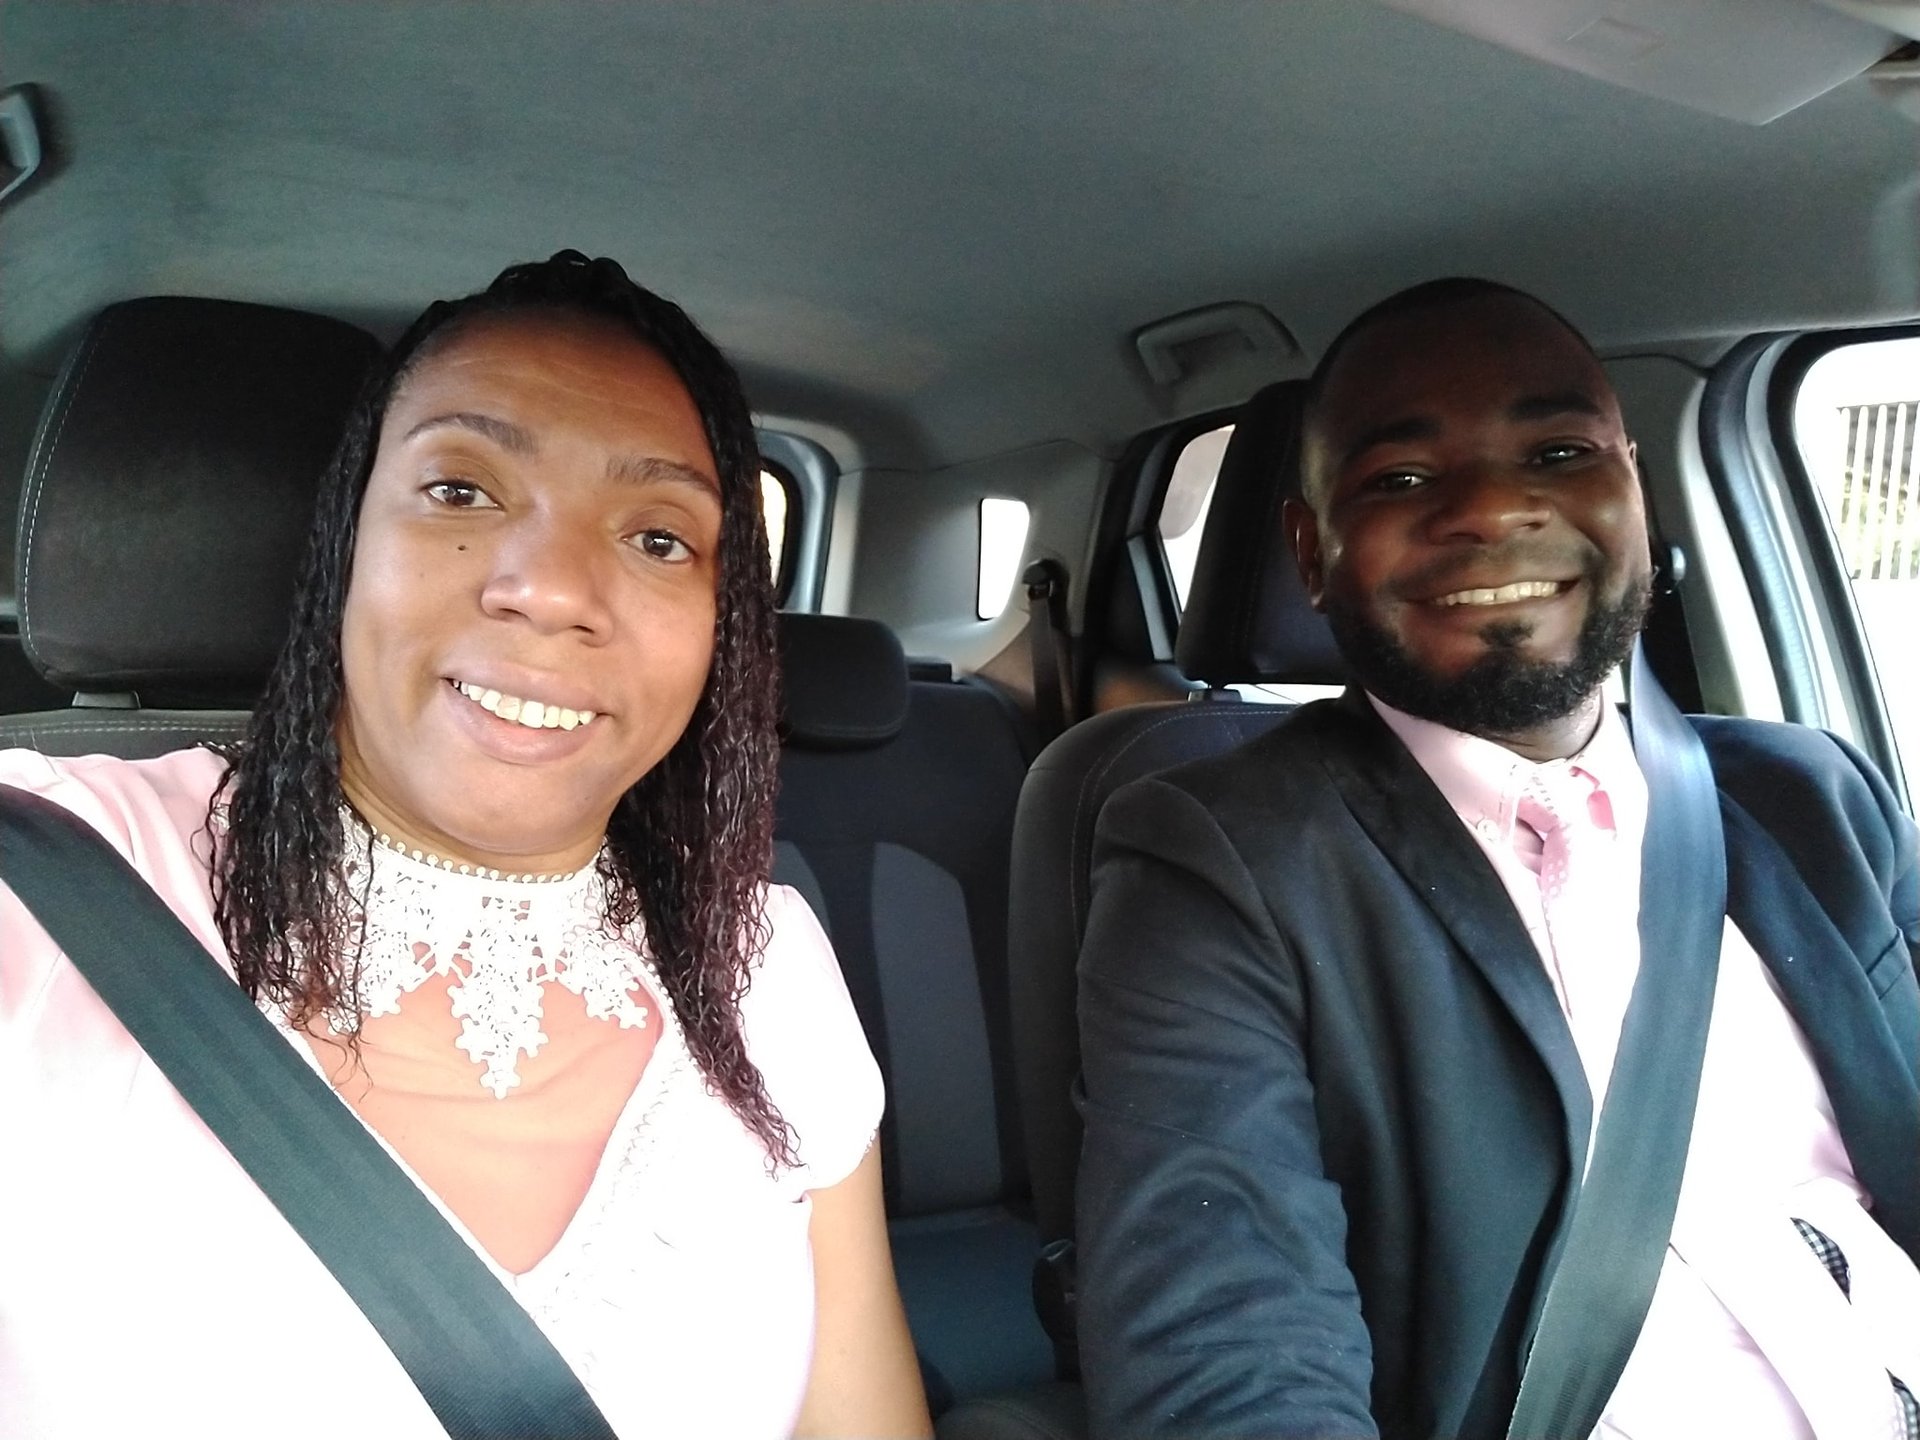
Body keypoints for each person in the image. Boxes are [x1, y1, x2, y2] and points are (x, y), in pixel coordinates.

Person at [0, 252, 932, 1439]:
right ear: (341, 544)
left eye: (658, 538)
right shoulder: (43, 882)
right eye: (461, 490)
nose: (550, 588)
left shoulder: (766, 965)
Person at [1074, 278, 1920, 1440]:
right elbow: (1231, 1353)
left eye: (1561, 450)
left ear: (1636, 491)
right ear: (1312, 552)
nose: (1493, 509)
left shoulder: (1813, 796)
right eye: (1403, 478)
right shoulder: (1216, 863)